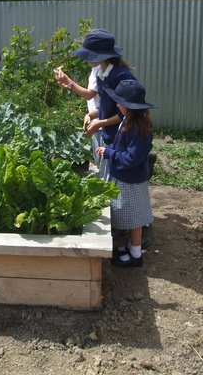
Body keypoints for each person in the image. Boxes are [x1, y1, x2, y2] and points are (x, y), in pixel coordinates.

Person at [54, 29, 136, 179]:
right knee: (105, 175)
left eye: (90, 54)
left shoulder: (121, 76)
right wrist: (91, 114)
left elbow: (128, 112)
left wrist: (100, 123)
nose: (87, 58)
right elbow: (107, 104)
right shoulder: (102, 73)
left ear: (101, 56)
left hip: (120, 135)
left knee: (114, 178)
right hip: (108, 132)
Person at [95, 79, 156, 267]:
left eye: (120, 102)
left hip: (131, 181)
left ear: (129, 107)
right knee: (131, 217)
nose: (116, 105)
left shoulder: (139, 130)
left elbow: (131, 159)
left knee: (135, 219)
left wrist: (110, 153)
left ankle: (136, 255)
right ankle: (131, 247)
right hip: (126, 178)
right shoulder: (128, 121)